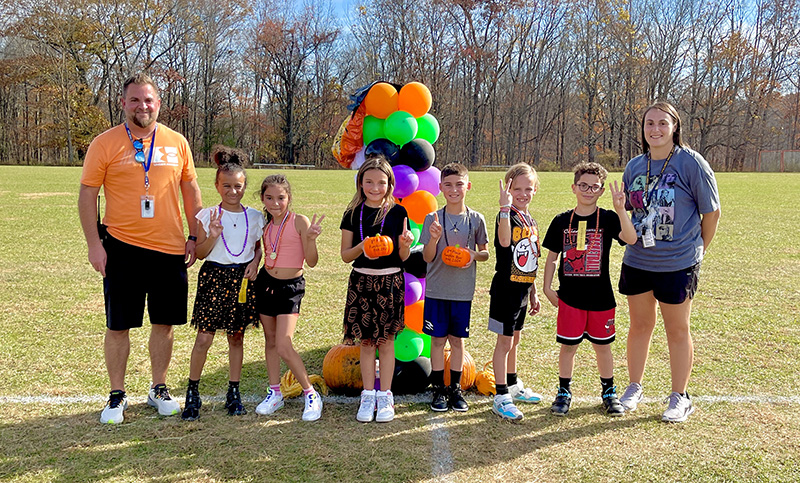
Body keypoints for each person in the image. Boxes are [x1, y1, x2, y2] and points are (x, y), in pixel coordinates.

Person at [78, 73, 203, 424]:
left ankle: (158, 387)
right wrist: (94, 244)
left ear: (158, 103)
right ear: (123, 103)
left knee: (164, 323)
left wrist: (193, 236)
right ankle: (117, 394)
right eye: (134, 100)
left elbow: (190, 191)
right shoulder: (104, 143)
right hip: (121, 247)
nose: (142, 106)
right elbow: (88, 194)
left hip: (169, 248)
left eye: (148, 100)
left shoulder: (177, 142)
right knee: (119, 325)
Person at [618, 101, 721, 423]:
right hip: (638, 259)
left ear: (675, 126)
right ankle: (634, 387)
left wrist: (699, 248)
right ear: (643, 128)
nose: (656, 129)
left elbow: (712, 212)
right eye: (650, 123)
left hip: (678, 261)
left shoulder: (691, 163)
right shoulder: (635, 165)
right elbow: (630, 212)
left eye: (663, 123)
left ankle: (680, 396)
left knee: (677, 330)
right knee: (639, 326)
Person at [541, 162, 637, 417]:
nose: (588, 190)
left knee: (603, 347)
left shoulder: (607, 218)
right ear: (574, 187)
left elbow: (631, 238)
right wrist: (547, 287)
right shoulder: (562, 220)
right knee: (568, 348)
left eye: (594, 187)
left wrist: (621, 209)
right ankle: (563, 392)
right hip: (570, 298)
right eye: (583, 185)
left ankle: (609, 392)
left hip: (601, 297)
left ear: (601, 190)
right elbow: (552, 257)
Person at [181, 147, 265, 421]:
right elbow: (202, 253)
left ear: (244, 187)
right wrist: (214, 234)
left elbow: (258, 247)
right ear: (217, 186)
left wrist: (254, 263)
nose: (232, 191)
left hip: (241, 280)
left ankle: (234, 391)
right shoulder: (208, 215)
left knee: (236, 337)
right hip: (214, 277)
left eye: (238, 186)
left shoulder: (254, 216)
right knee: (205, 337)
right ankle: (193, 391)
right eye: (226, 186)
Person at [340, 155, 414, 423]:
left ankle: (386, 396)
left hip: (390, 283)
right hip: (361, 283)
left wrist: (405, 243)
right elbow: (345, 256)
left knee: (386, 342)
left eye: (381, 182)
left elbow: (404, 257)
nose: (374, 187)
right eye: (368, 181)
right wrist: (363, 247)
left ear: (390, 184)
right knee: (367, 342)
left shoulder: (398, 212)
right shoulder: (352, 214)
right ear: (360, 183)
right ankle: (368, 394)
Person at [254, 174, 325, 422]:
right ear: (262, 199)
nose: (275, 203)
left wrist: (311, 239)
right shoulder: (264, 225)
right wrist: (255, 263)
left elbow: (312, 261)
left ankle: (310, 393)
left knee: (284, 343)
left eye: (281, 198)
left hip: (290, 287)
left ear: (289, 198)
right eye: (269, 198)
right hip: (265, 284)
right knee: (270, 341)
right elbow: (261, 252)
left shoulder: (299, 222)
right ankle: (275, 392)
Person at [419, 162, 489, 413]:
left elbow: (485, 254)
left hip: (462, 292)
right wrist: (435, 239)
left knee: (457, 342)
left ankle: (455, 388)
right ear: (440, 188)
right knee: (437, 342)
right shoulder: (432, 218)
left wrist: (471, 255)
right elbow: (427, 257)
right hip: (437, 290)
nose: (454, 189)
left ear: (467, 186)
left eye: (459, 184)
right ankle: (438, 388)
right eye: (448, 185)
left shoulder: (476, 219)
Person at [488, 163, 543, 421]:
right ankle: (500, 396)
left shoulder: (529, 218)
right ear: (508, 188)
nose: (523, 193)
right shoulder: (507, 215)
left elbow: (530, 257)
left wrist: (533, 291)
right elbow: (503, 241)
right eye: (517, 188)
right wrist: (502, 207)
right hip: (505, 290)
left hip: (522, 290)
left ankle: (512, 384)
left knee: (516, 341)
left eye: (528, 188)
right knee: (505, 342)